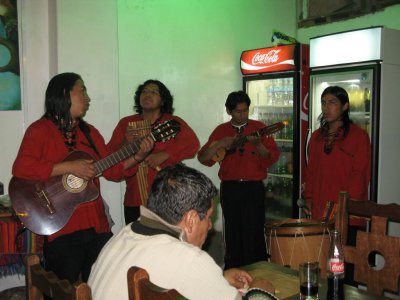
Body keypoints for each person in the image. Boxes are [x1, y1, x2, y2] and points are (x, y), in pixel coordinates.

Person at [11, 72, 154, 284]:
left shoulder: (90, 133)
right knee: (62, 292)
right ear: (64, 94)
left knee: (101, 286)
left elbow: (113, 171)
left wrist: (138, 156)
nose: (88, 98)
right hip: (60, 227)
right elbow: (21, 168)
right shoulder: (39, 130)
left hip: (96, 226)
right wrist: (68, 167)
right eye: (82, 90)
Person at [88, 164, 276, 300]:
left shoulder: (125, 233)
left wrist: (217, 280)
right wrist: (260, 290)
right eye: (208, 217)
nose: (210, 226)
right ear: (191, 220)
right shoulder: (187, 258)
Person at [197, 91, 280, 269]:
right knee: (233, 232)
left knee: (254, 231)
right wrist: (220, 144)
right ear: (229, 111)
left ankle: (257, 271)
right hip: (230, 187)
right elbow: (203, 158)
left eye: (245, 111)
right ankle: (233, 272)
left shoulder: (259, 127)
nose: (242, 115)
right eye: (238, 112)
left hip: (253, 188)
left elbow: (271, 158)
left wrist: (258, 144)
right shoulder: (221, 131)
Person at [107, 79, 199, 224]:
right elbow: (109, 156)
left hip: (168, 196)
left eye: (153, 92)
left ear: (163, 101)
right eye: (144, 91)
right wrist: (126, 142)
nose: (147, 95)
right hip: (134, 198)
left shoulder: (173, 122)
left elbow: (192, 144)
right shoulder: (126, 123)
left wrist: (165, 155)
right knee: (137, 243)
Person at [303, 86, 371, 221]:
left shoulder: (358, 136)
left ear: (345, 106)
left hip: (347, 212)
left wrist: (345, 208)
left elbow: (360, 176)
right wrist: (308, 197)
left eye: (332, 102)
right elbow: (311, 171)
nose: (326, 108)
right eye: (323, 103)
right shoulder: (317, 136)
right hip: (320, 209)